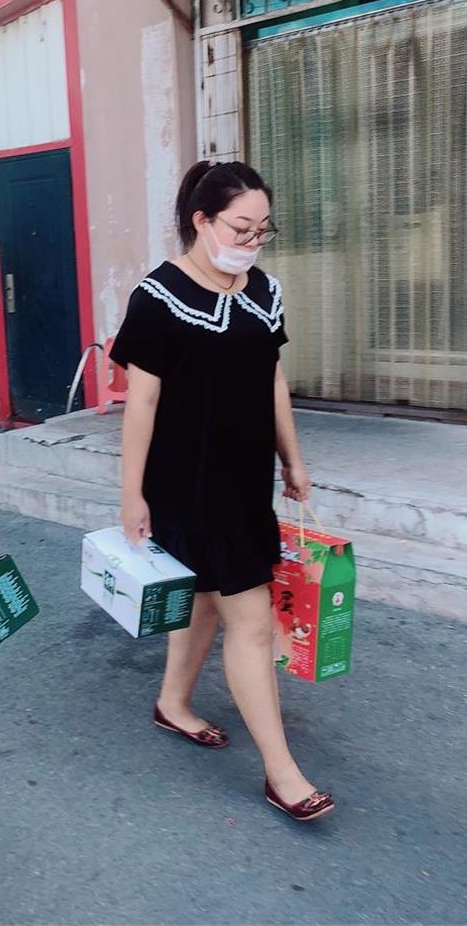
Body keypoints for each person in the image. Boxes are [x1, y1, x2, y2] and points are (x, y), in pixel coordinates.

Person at [110, 160, 334, 823]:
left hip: (244, 477)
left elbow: (272, 380)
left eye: (263, 230)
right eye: (241, 227)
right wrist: (131, 495)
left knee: (205, 599)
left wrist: (293, 458)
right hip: (187, 482)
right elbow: (141, 403)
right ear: (202, 220)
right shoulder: (158, 296)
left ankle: (172, 703)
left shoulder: (263, 290)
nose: (253, 240)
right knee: (250, 618)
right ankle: (282, 773)